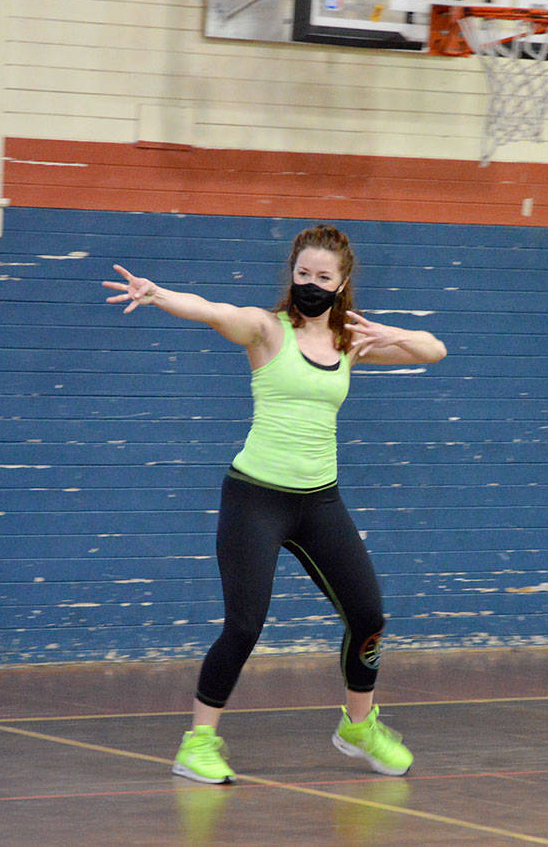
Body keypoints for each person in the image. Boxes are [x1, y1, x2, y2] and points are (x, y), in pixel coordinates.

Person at [103, 225, 447, 785]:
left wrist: (393, 333)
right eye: (303, 274)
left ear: (342, 284)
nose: (311, 283)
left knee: (368, 617)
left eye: (323, 277)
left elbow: (436, 350)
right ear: (292, 275)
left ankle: (359, 728)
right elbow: (212, 311)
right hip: (255, 498)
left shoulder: (347, 343)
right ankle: (198, 743)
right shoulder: (267, 330)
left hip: (320, 502)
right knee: (244, 625)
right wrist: (159, 295)